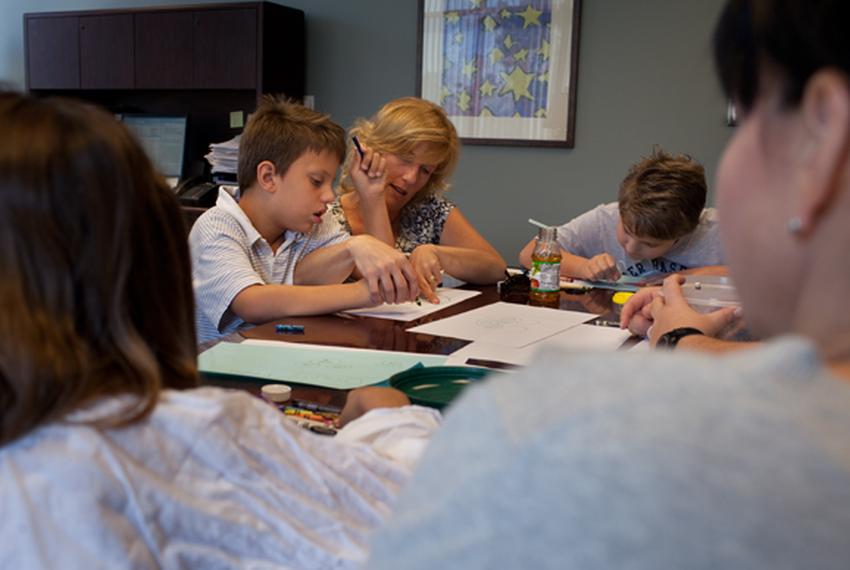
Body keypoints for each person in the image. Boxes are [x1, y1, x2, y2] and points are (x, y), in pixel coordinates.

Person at [366, 0, 850, 567]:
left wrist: (679, 342)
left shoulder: (552, 422)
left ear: (825, 131)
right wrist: (690, 340)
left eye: (744, 119)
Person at [0, 93, 441, 569]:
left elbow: (318, 271)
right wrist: (392, 418)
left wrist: (359, 243)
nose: (328, 196)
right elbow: (406, 512)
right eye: (317, 182)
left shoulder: (305, 229)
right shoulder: (199, 434)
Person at [190, 97, 420, 343]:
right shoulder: (217, 226)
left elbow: (380, 273)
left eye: (330, 183)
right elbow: (251, 303)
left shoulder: (312, 223)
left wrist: (372, 197)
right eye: (316, 181)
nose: (330, 195)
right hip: (223, 371)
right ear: (268, 177)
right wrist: (365, 293)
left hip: (286, 361)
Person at [330, 97, 506, 303]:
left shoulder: (430, 209)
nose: (411, 178)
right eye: (405, 159)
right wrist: (373, 197)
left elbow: (497, 269)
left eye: (425, 170)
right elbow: (391, 281)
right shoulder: (326, 218)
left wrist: (437, 253)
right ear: (372, 149)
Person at [518, 148, 726, 281]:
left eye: (650, 244)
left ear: (684, 232)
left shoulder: (722, 232)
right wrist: (584, 267)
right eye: (626, 231)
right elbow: (528, 254)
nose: (631, 248)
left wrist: (684, 277)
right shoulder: (604, 219)